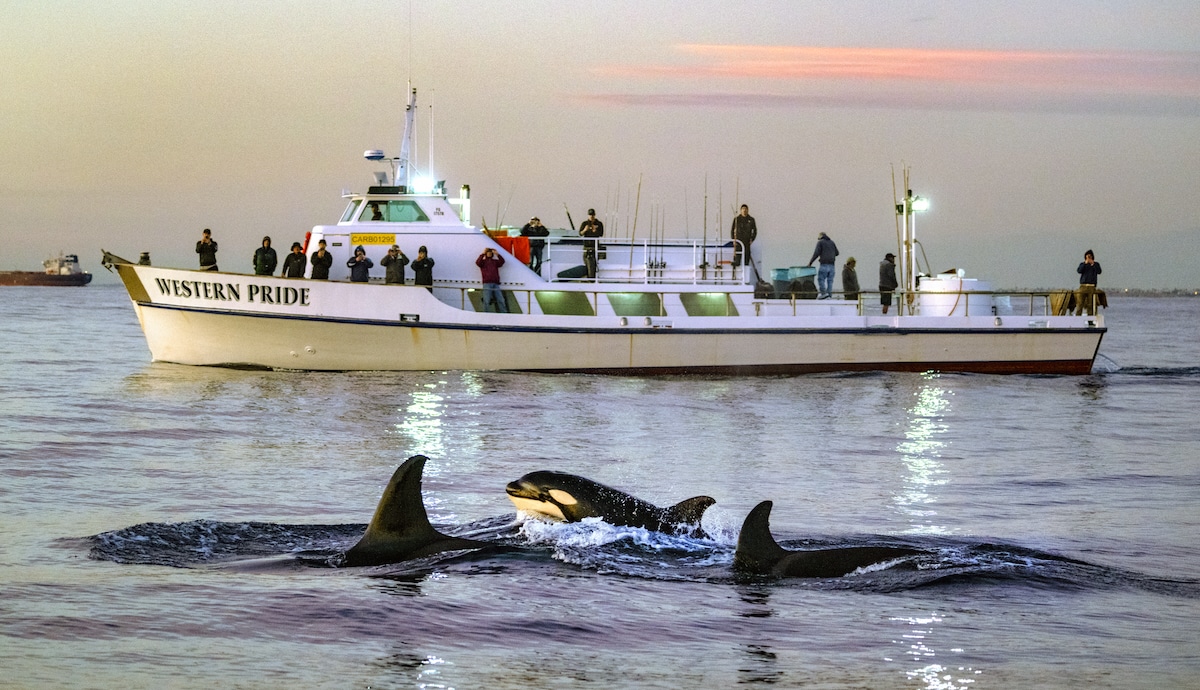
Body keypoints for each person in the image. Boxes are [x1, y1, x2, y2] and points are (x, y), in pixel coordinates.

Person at [807, 232, 839, 299]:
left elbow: (816, 253)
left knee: (821, 280)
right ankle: (829, 296)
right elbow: (837, 253)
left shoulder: (820, 243)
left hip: (824, 264)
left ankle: (824, 294)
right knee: (830, 281)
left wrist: (810, 263)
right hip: (832, 265)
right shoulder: (832, 242)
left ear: (820, 237)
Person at [476, 247, 507, 313]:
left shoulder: (495, 262)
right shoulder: (483, 262)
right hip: (487, 283)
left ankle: (503, 312)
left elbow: (502, 262)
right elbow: (478, 262)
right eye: (488, 253)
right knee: (486, 300)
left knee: (500, 299)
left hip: (495, 283)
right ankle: (486, 313)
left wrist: (497, 254)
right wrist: (483, 254)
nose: (489, 254)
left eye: (490, 253)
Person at [730, 204, 757, 272]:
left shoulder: (751, 219)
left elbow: (755, 230)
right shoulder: (737, 219)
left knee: (746, 258)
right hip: (738, 240)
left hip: (747, 241)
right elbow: (732, 230)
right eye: (743, 209)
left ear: (748, 210)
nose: (744, 210)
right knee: (737, 258)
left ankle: (746, 273)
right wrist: (733, 239)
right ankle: (736, 271)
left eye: (746, 209)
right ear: (741, 210)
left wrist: (752, 239)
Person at [1075, 249, 1102, 316]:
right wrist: (1085, 263)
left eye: (1090, 256)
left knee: (1091, 304)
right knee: (1080, 304)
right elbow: (1079, 271)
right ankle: (1077, 319)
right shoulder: (1082, 264)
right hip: (1083, 286)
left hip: (1091, 286)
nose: (1089, 258)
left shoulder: (1096, 264)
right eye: (1087, 256)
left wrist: (1092, 264)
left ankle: (1090, 320)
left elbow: (1099, 271)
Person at [580, 208, 604, 279]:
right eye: (590, 215)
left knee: (593, 263)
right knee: (587, 263)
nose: (591, 216)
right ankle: (589, 277)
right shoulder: (584, 224)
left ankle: (592, 278)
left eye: (593, 215)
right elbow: (580, 233)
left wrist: (595, 231)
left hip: (595, 246)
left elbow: (601, 234)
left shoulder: (599, 224)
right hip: (587, 246)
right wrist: (585, 230)